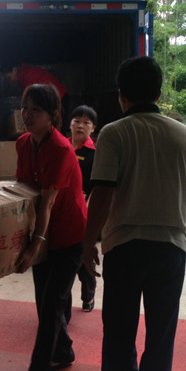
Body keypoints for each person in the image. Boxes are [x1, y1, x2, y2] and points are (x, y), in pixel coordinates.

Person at [83, 56, 186, 371]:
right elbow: (185, 185)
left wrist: (88, 243)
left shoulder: (113, 134)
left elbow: (102, 195)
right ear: (159, 93)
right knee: (161, 332)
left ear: (121, 96)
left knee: (119, 329)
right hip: (170, 247)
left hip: (124, 247)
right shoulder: (185, 135)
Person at [14, 84, 87, 371]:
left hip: (69, 234)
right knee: (44, 301)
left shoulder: (61, 149)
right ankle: (64, 351)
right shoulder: (23, 143)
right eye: (25, 108)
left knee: (53, 302)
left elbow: (46, 203)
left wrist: (34, 245)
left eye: (36, 110)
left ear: (53, 115)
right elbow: (22, 189)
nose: (27, 115)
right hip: (43, 233)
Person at [68, 105, 98, 313]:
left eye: (86, 123)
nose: (80, 126)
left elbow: (97, 189)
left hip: (83, 214)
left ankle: (88, 295)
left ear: (93, 128)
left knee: (83, 259)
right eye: (77, 121)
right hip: (61, 212)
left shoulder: (94, 154)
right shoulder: (61, 146)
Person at [0, 61, 69, 119]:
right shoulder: (24, 74)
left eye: (9, 77)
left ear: (15, 70)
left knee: (56, 127)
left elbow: (31, 99)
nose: (9, 81)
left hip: (59, 98)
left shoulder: (28, 75)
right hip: (54, 98)